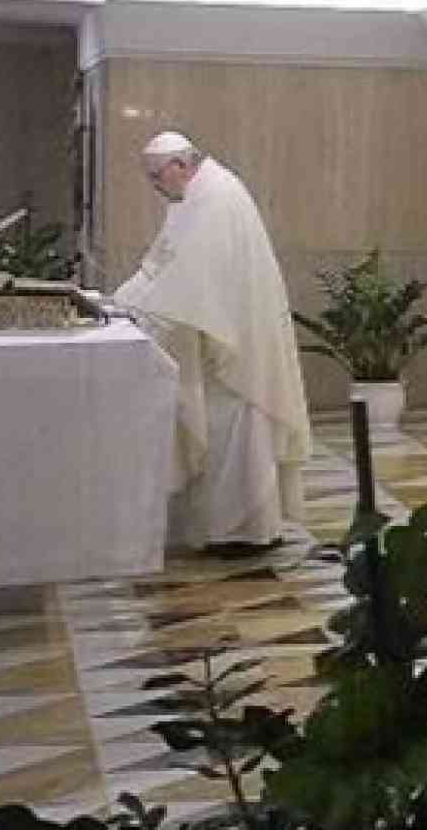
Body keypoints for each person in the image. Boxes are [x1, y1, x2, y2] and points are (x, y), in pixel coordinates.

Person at [116, 132, 312, 557]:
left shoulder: (217, 197)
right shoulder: (192, 197)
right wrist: (120, 303)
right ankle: (222, 528)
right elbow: (160, 263)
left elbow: (191, 279)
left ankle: (245, 530)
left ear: (180, 166)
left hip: (235, 346)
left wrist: (140, 308)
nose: (155, 187)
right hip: (219, 335)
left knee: (236, 436)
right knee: (223, 436)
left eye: (157, 177)